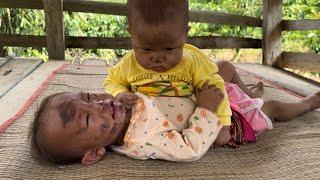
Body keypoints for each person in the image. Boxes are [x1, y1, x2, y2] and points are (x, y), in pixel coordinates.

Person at [30, 81, 320, 165]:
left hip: (203, 96)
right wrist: (207, 109)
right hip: (223, 121)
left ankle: (246, 91)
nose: (100, 103)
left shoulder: (122, 105)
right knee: (273, 108)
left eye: (89, 95)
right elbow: (190, 148)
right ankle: (308, 103)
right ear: (94, 153)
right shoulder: (143, 141)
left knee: (224, 69)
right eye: (88, 116)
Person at [104, 0, 233, 146]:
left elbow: (215, 89)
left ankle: (259, 102)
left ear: (185, 36)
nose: (158, 58)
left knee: (249, 113)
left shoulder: (192, 63)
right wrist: (119, 93)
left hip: (191, 125)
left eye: (169, 49)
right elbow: (112, 81)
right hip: (151, 129)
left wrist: (223, 125)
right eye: (146, 49)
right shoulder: (128, 63)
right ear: (132, 35)